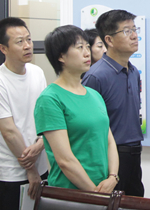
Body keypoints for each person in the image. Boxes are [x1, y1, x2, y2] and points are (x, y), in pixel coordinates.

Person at [34, 25, 119, 192]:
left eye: (87, 46)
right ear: (61, 56)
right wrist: (94, 193)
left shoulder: (94, 95)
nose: (87, 53)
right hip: (70, 194)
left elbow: (109, 141)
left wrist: (113, 177)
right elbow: (65, 160)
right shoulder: (50, 99)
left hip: (104, 189)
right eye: (80, 47)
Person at [0, 18, 48, 210]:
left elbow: (45, 115)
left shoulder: (37, 73)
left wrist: (41, 142)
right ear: (3, 48)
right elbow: (9, 131)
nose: (28, 46)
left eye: (28, 39)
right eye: (20, 42)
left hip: (41, 167)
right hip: (11, 174)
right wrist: (31, 170)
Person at [81, 10, 144, 196]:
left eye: (135, 29)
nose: (134, 36)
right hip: (110, 156)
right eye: (127, 31)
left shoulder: (134, 72)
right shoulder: (95, 76)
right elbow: (87, 127)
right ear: (109, 40)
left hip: (135, 153)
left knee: (134, 206)